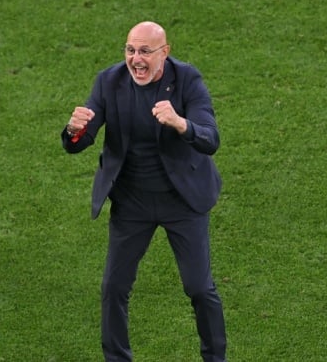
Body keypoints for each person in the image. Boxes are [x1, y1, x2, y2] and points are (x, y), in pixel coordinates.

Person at [61, 21, 227, 361]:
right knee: (114, 288)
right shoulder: (109, 81)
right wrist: (74, 129)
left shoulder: (187, 80)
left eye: (145, 51)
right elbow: (81, 139)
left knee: (199, 288)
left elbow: (211, 139)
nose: (136, 59)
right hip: (132, 203)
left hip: (182, 201)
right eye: (130, 50)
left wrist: (181, 123)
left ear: (164, 52)